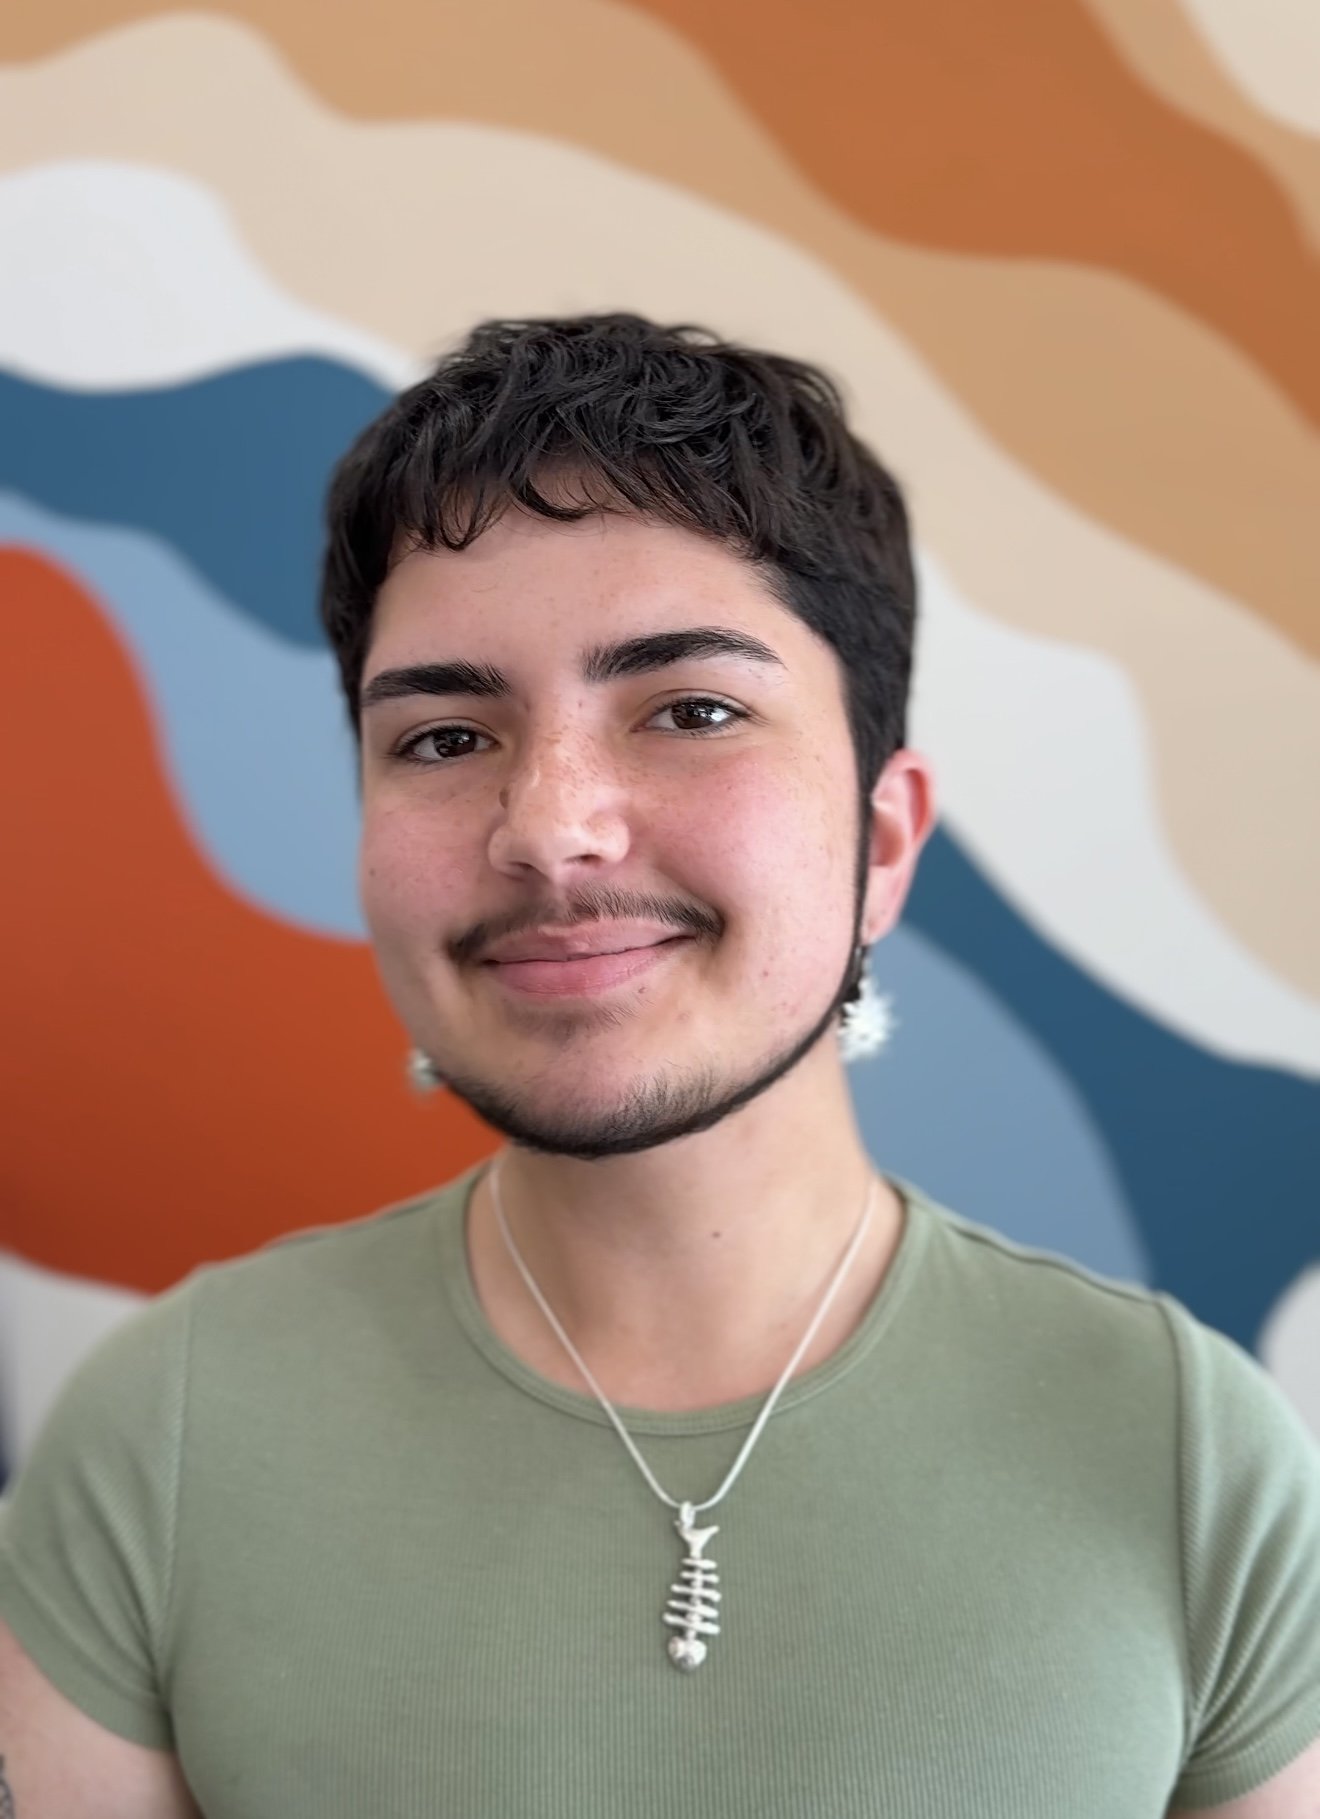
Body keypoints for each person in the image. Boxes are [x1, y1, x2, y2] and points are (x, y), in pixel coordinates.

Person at [1, 314, 1317, 1817]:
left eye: (692, 711)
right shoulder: (166, 1435)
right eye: (444, 737)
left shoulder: (1184, 1452)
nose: (550, 828)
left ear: (883, 843)